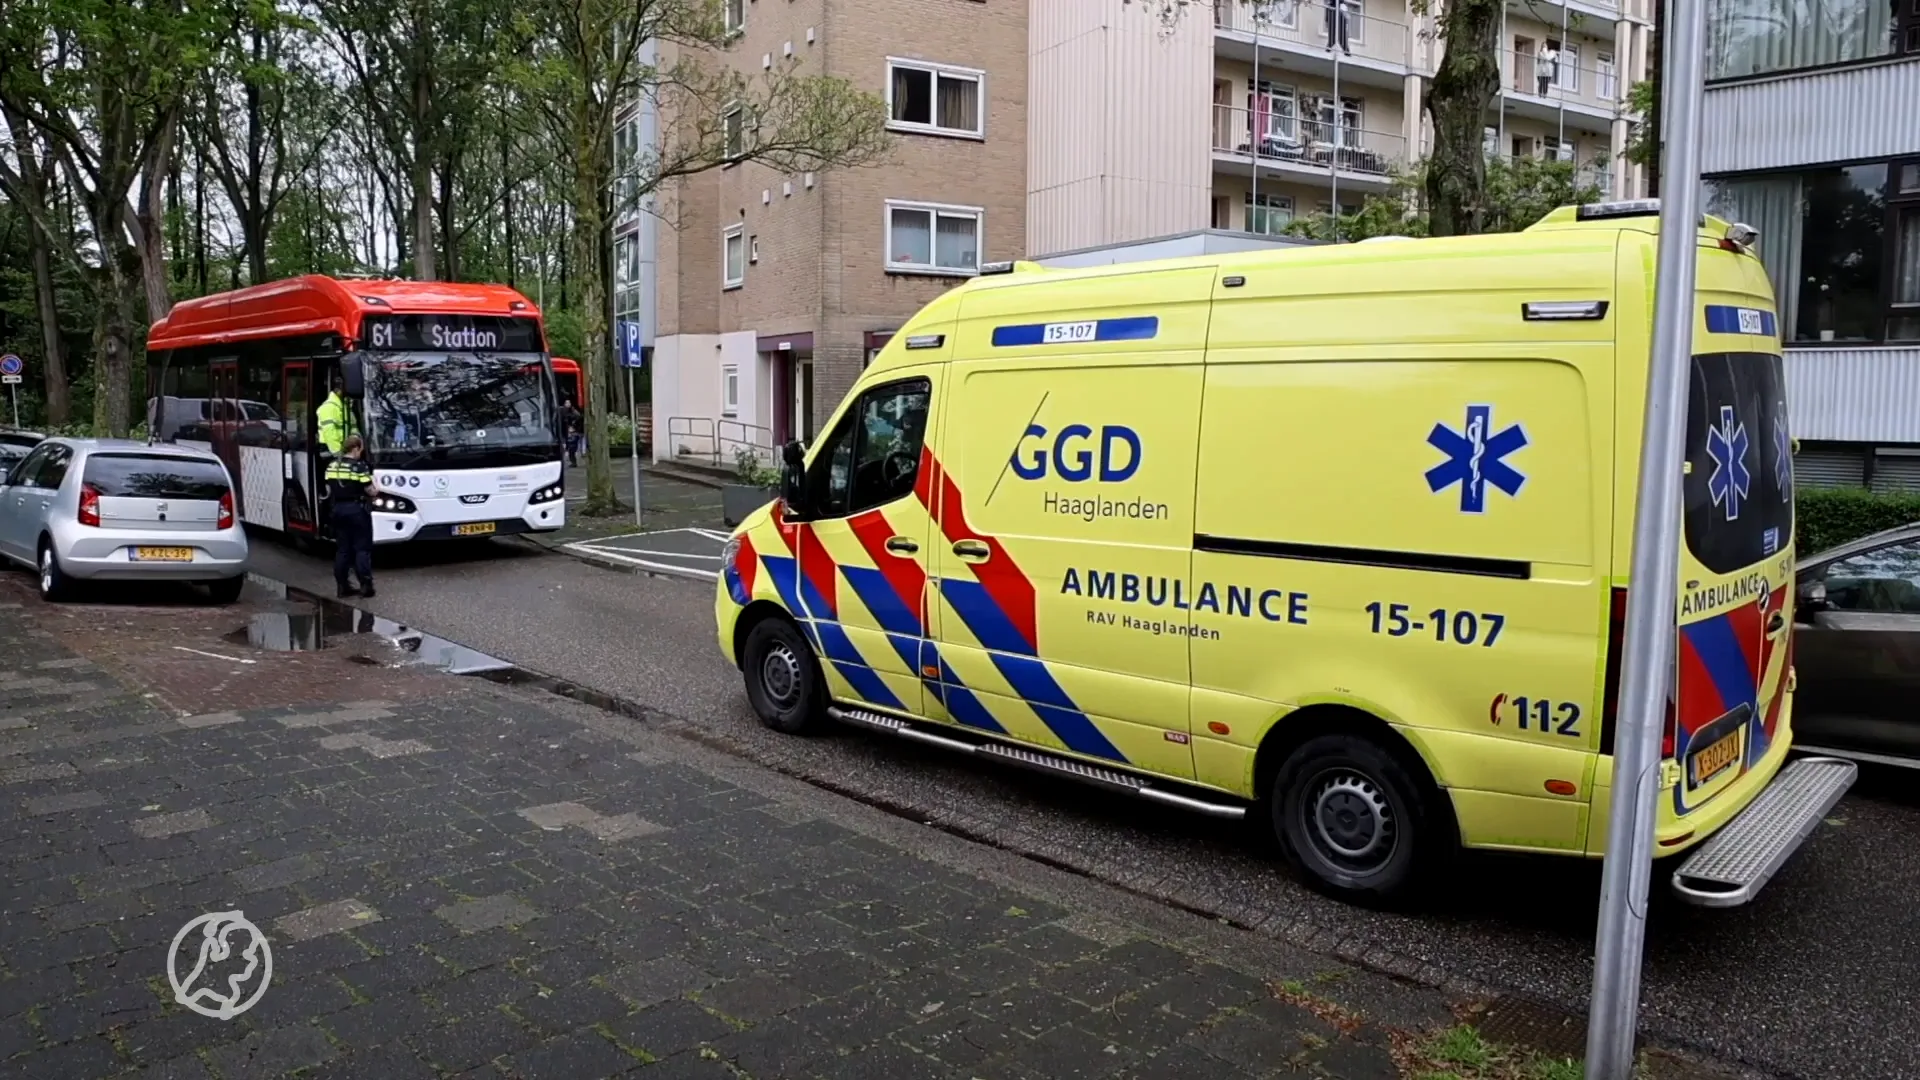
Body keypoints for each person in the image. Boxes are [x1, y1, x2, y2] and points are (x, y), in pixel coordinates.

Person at [324, 436, 377, 599]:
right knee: (362, 548)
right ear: (355, 449)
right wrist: (376, 487)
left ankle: (342, 586)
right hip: (356, 510)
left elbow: (327, 489)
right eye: (360, 449)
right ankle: (366, 586)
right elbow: (370, 491)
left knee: (343, 549)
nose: (361, 452)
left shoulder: (332, 465)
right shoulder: (359, 467)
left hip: (338, 510)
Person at [316, 372, 355, 456]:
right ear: (338, 390)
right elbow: (329, 433)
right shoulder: (328, 407)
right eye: (345, 389)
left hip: (343, 449)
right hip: (331, 452)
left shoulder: (344, 407)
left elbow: (353, 428)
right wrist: (339, 454)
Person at [559, 396, 584, 467]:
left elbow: (578, 417)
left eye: (569, 403)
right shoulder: (562, 411)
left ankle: (573, 461)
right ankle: (572, 461)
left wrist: (574, 425)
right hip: (567, 431)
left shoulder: (573, 411)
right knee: (569, 447)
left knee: (572, 447)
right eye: (566, 403)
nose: (568, 404)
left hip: (573, 431)